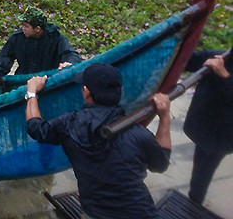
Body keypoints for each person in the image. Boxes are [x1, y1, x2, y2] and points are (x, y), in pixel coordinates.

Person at [26, 63, 172, 219]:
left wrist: (32, 93)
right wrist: (164, 117)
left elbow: (36, 128)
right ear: (121, 92)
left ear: (86, 92)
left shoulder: (69, 125)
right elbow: (161, 164)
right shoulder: (138, 134)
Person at [184, 47, 233, 205]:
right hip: (203, 125)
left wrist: (224, 75)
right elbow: (187, 61)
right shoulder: (219, 56)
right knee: (202, 167)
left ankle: (194, 202)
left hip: (222, 135)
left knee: (203, 170)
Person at [0, 6, 81, 79]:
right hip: (23, 79)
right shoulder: (18, 37)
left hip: (47, 79)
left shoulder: (56, 37)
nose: (23, 29)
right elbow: (6, 56)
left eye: (26, 26)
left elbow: (70, 53)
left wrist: (69, 63)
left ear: (37, 28)